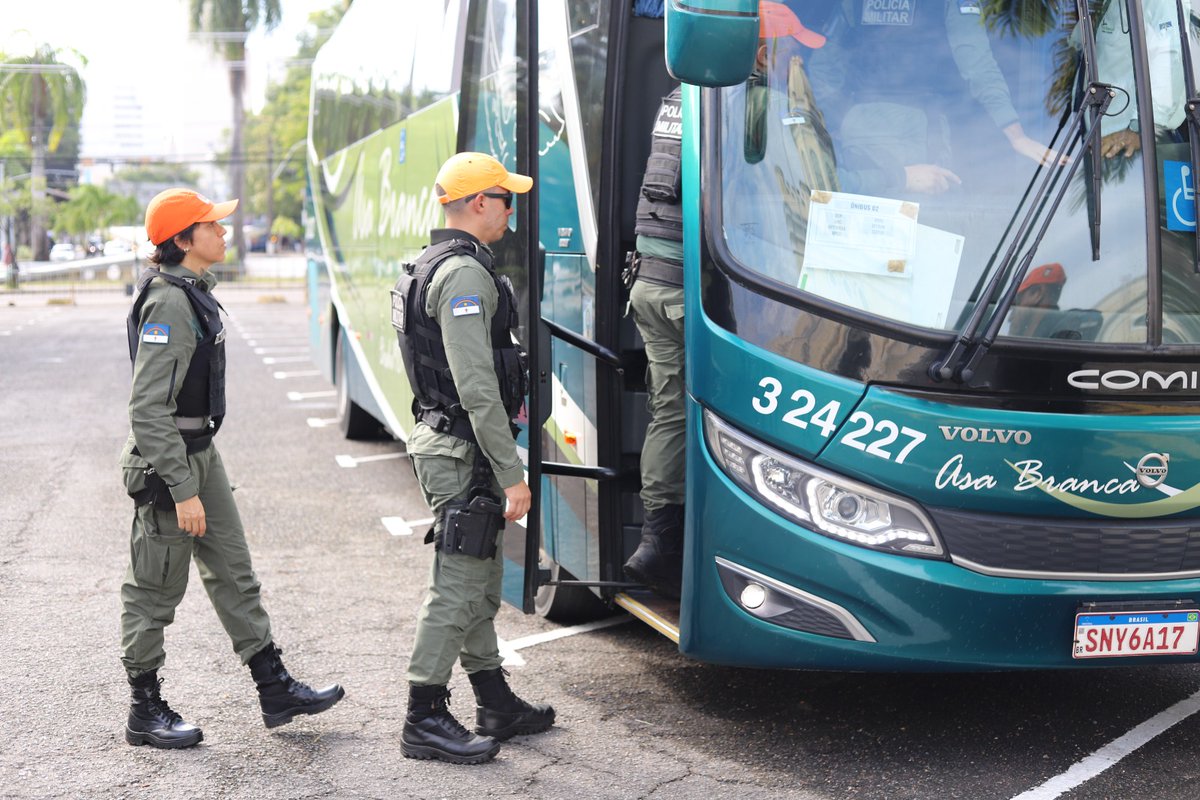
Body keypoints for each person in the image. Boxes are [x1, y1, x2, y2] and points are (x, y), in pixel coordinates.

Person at [119, 188, 344, 749]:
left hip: (200, 452)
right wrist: (181, 487)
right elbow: (148, 410)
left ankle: (275, 689)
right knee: (155, 587)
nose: (223, 233)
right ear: (181, 240)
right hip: (168, 458)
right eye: (211, 226)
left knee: (234, 570)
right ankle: (144, 711)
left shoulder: (193, 292)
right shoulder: (169, 303)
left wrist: (197, 475)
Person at [392, 152, 552, 765]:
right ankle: (423, 717)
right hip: (462, 448)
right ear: (479, 203)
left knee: (480, 578)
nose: (513, 207)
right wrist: (512, 473)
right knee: (457, 585)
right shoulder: (463, 275)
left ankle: (494, 701)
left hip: (457, 443)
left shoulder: (440, 265)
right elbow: (476, 384)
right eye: (505, 197)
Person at [622, 83, 689, 599]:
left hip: (649, 282)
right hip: (684, 293)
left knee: (670, 412)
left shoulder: (677, 94)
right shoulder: (734, 95)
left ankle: (657, 543)